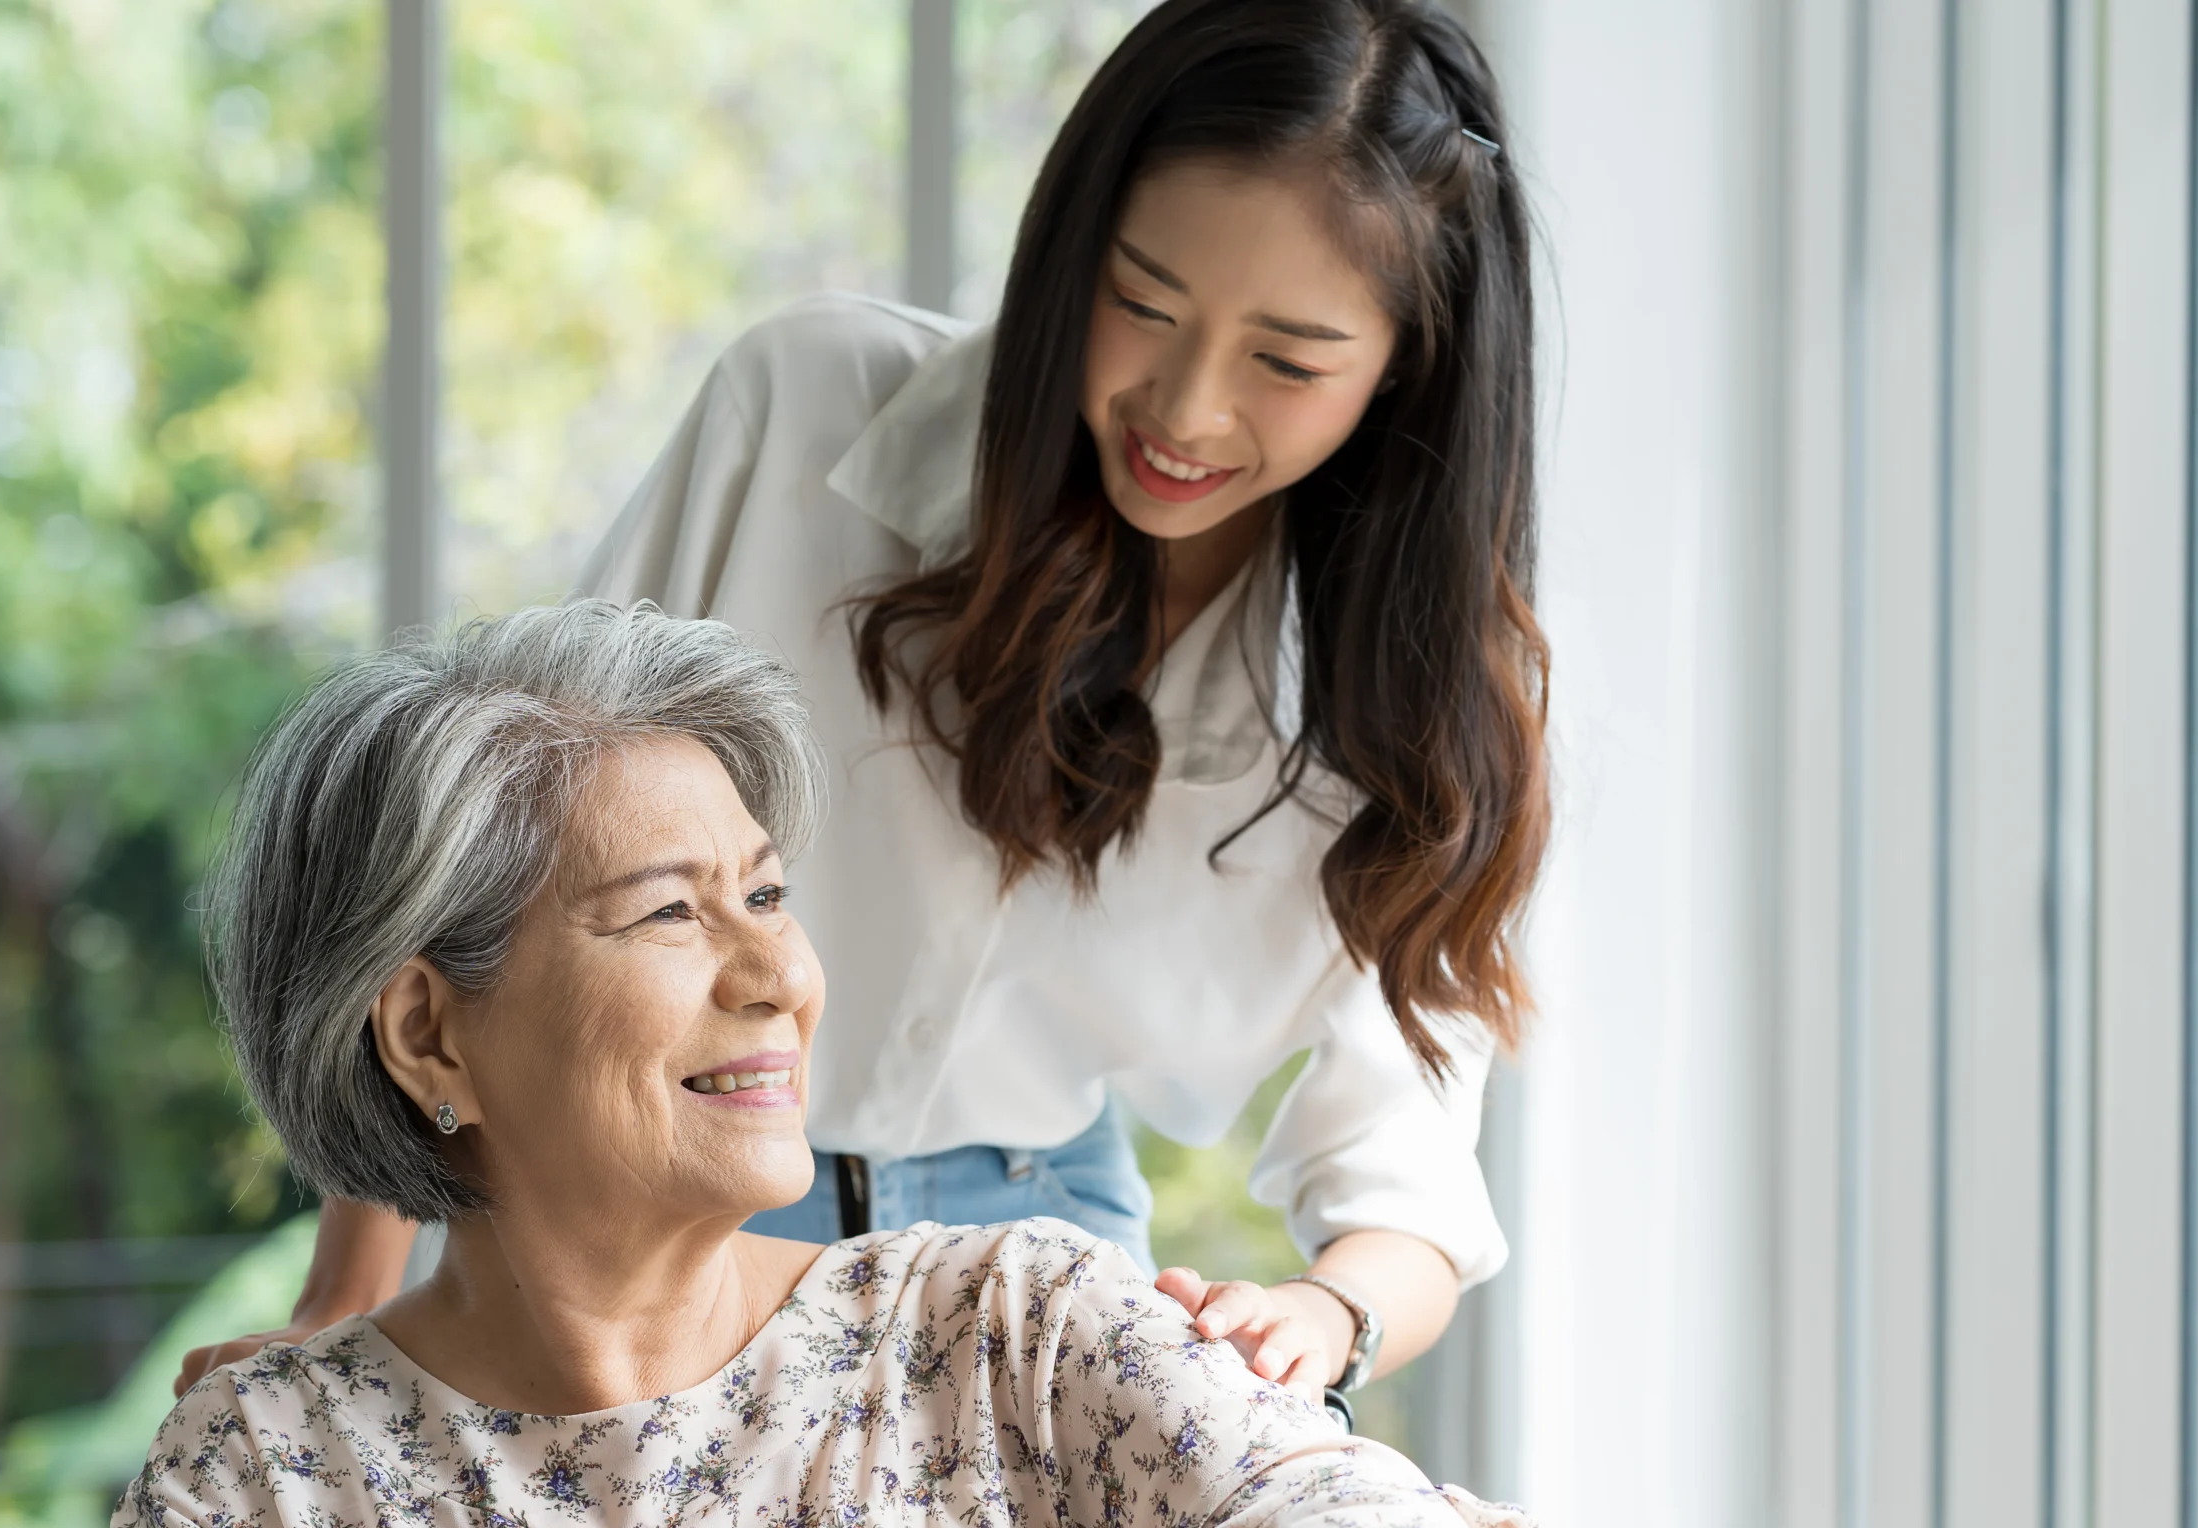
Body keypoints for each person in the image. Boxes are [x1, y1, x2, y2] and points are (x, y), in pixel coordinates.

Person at [179, 0, 1549, 1417]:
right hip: (652, 1223)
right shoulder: (806, 411)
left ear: (1407, 369)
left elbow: (1409, 1184)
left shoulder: (1407, 703)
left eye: (1286, 360)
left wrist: (1319, 1317)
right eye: (1141, 301)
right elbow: (478, 848)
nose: (1186, 409)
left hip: (1037, 1265)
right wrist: (351, 1293)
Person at [108, 602, 1544, 1528]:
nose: (779, 972)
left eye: (768, 892)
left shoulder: (1005, 1339)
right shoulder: (264, 1486)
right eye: (672, 912)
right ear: (428, 1032)